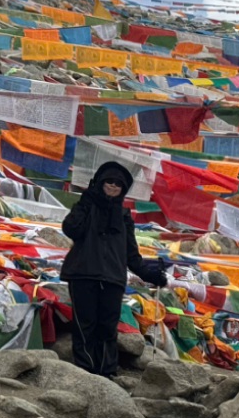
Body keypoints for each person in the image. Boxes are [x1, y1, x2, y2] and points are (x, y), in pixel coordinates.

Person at [61, 161, 167, 376]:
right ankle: (85, 372)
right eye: (108, 181)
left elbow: (131, 254)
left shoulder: (125, 216)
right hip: (83, 275)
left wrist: (150, 275)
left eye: (118, 183)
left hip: (113, 280)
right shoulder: (86, 205)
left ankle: (106, 374)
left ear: (123, 188)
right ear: (100, 183)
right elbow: (70, 229)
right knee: (85, 326)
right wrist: (85, 202)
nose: (112, 185)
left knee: (108, 329)